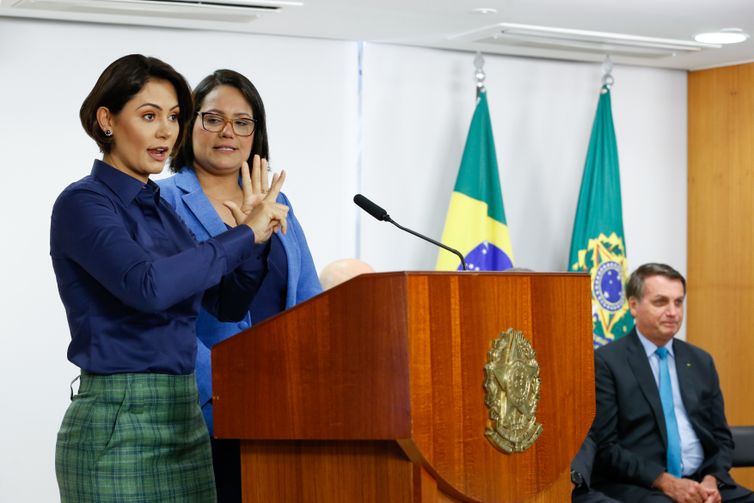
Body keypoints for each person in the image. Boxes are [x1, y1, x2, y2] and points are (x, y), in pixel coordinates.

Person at [51, 55, 289, 503]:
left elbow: (227, 305)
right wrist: (242, 235)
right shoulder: (83, 203)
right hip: (120, 420)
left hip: (184, 420)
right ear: (107, 120)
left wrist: (257, 240)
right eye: (149, 116)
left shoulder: (160, 208)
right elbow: (149, 287)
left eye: (175, 117)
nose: (166, 131)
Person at [158, 69, 321, 502]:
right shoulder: (163, 202)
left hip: (284, 405)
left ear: (256, 133)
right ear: (189, 125)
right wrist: (226, 391)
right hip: (209, 407)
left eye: (242, 122)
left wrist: (311, 386)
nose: (228, 131)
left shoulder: (278, 203)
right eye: (212, 119)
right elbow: (168, 316)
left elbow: (309, 300)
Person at [590, 263, 754, 502]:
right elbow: (605, 448)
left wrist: (711, 480)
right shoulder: (607, 362)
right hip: (643, 485)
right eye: (661, 302)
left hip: (702, 482)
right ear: (633, 306)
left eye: (678, 302)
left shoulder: (700, 361)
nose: (673, 312)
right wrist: (665, 482)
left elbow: (721, 437)